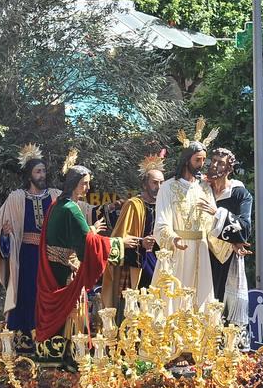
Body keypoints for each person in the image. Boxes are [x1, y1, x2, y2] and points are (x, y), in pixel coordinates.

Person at [34, 162, 126, 341]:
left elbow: (70, 236)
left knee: (57, 317)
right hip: (65, 273)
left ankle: (55, 356)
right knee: (70, 311)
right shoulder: (72, 209)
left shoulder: (57, 204)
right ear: (73, 183)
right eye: (85, 183)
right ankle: (74, 353)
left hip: (54, 269)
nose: (88, 187)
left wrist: (90, 230)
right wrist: (120, 243)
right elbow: (87, 245)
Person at [0, 146, 62, 336]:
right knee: (27, 295)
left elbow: (79, 210)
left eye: (44, 171)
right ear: (29, 175)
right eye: (38, 171)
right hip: (26, 257)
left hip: (50, 256)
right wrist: (4, 235)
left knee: (48, 295)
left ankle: (49, 339)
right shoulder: (16, 198)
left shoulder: (55, 196)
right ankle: (25, 341)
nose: (42, 175)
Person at [154, 137, 220, 311]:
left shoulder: (205, 188)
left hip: (201, 249)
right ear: (186, 160)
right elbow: (162, 221)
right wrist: (173, 238)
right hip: (177, 250)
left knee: (201, 299)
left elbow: (213, 223)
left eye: (203, 160)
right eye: (197, 159)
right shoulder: (168, 187)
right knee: (174, 297)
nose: (201, 164)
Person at [100, 160, 162, 313]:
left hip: (159, 260)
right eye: (155, 182)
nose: (159, 187)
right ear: (144, 184)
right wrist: (142, 242)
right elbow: (121, 235)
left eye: (161, 183)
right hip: (138, 262)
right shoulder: (133, 204)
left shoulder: (164, 205)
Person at [207, 148, 253, 329]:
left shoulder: (239, 193)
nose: (216, 165)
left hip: (226, 257)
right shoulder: (202, 189)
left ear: (229, 168)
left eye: (221, 163)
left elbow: (245, 228)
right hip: (202, 253)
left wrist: (217, 213)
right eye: (214, 161)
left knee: (224, 305)